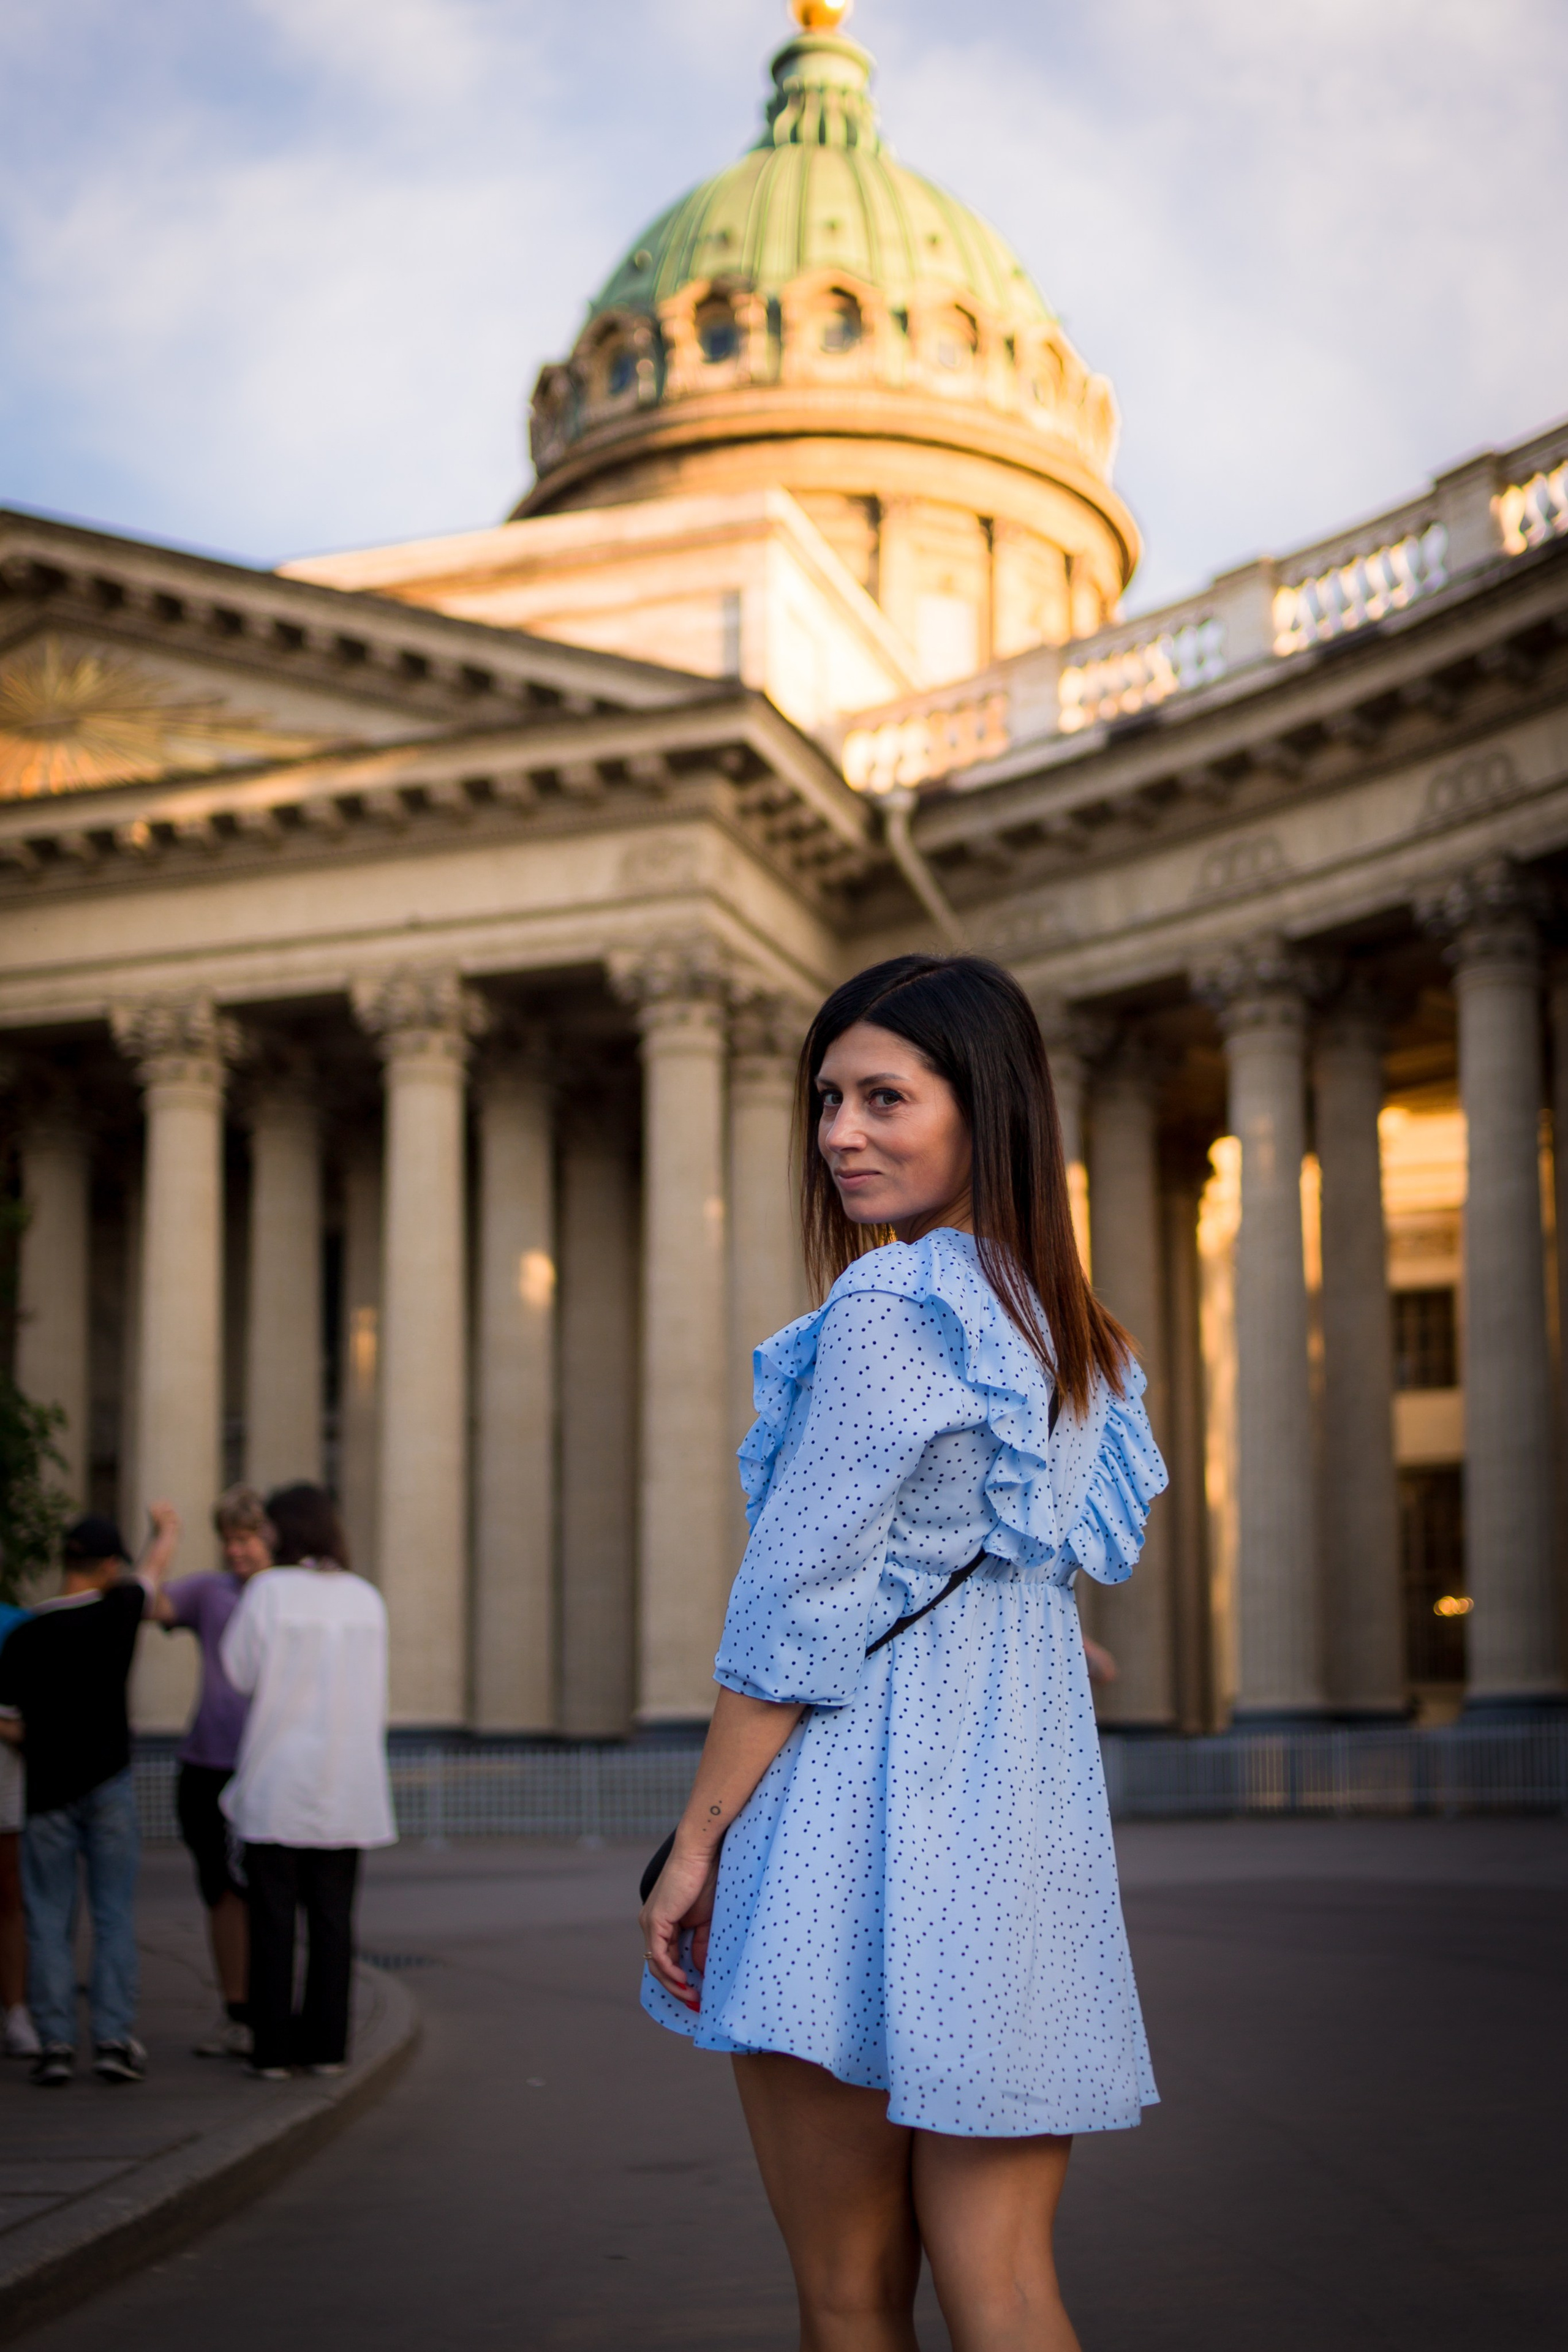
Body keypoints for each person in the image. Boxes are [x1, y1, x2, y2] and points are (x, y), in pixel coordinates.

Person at [639, 954, 1167, 2352]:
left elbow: (792, 1608)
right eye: (827, 1099)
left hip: (846, 1826)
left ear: (983, 1105)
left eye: (884, 1097)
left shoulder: (891, 1305)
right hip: (1019, 1841)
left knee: (849, 2290)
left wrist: (695, 1841)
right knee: (1009, 2283)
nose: (840, 1134)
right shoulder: (1074, 1335)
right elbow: (1009, 1561)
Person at [0, 1506, 181, 2087]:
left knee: (48, 1919)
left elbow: (9, 1722)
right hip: (109, 1786)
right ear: (106, 1567)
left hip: (47, 1793)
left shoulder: (26, 1634)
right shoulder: (118, 1611)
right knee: (112, 1913)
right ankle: (112, 2040)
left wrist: (41, 1736)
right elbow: (151, 1575)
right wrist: (166, 1532)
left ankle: (55, 2044)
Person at [220, 1485, 395, 2081]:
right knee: (333, 1923)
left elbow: (239, 1673)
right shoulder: (365, 1597)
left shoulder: (268, 1591)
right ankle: (327, 2047)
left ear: (285, 1529)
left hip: (278, 1778)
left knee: (272, 1922)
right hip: (347, 1783)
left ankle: (271, 2050)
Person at [145, 1483, 275, 2059]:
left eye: (247, 1539)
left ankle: (272, 2011)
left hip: (264, 1765)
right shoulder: (210, 1591)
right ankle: (238, 2011)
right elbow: (146, 1603)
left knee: (268, 1892)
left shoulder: (287, 1596)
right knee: (221, 1891)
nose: (237, 1550)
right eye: (229, 1540)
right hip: (206, 1765)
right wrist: (164, 1541)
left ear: (270, 1539)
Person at [0, 1596, 39, 2060]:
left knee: (9, 1893)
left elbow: (35, 1715)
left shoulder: (19, 1626)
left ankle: (16, 2011)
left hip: (6, 1773)